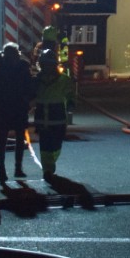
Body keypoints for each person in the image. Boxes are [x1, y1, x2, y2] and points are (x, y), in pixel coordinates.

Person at [0, 43, 35, 183]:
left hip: (4, 107)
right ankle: (17, 168)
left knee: (2, 139)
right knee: (19, 138)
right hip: (19, 107)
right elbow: (30, 87)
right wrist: (27, 99)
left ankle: (2, 170)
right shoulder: (23, 69)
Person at [33, 48, 74, 179]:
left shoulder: (64, 80)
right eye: (44, 64)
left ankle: (50, 164)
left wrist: (71, 103)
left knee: (56, 145)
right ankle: (48, 170)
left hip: (58, 118)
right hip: (42, 118)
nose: (46, 67)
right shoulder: (36, 80)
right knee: (45, 146)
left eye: (49, 64)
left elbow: (71, 94)